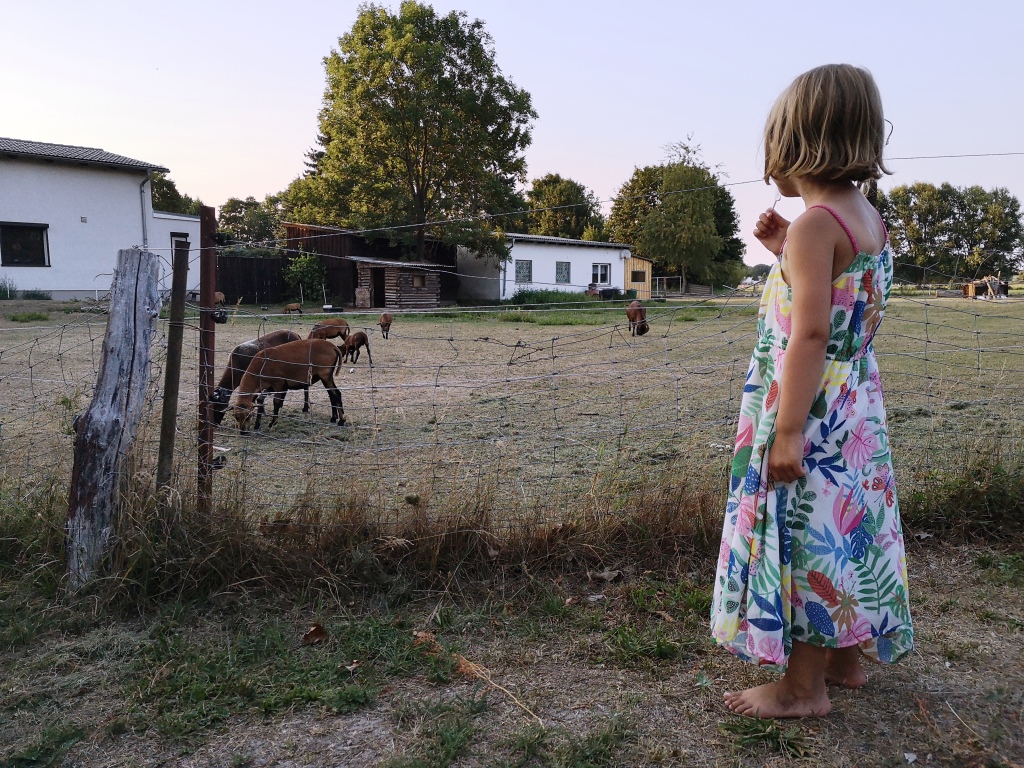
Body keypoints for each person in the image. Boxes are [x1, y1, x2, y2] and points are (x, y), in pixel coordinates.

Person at [709, 64, 914, 719]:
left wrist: (790, 429)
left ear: (794, 144)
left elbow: (811, 333)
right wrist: (784, 255)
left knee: (804, 539)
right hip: (855, 411)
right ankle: (847, 657)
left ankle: (802, 688)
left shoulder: (815, 226)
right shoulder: (865, 219)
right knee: (848, 531)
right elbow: (839, 298)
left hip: (813, 412)